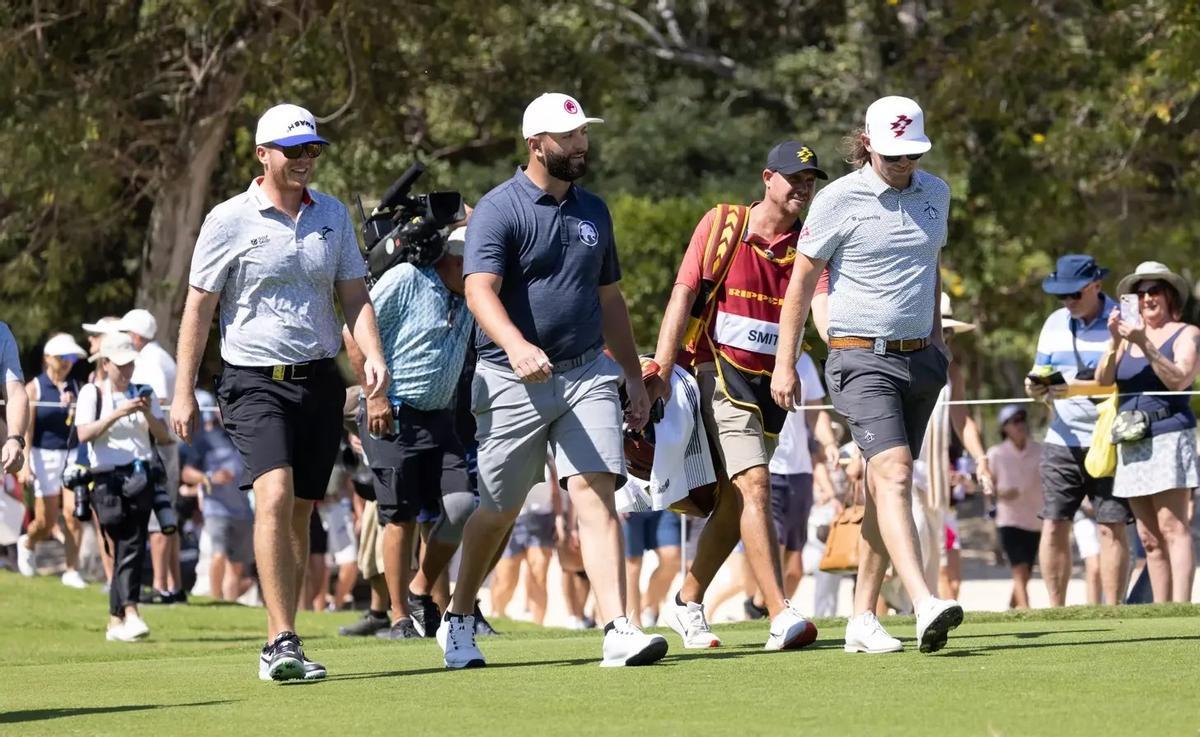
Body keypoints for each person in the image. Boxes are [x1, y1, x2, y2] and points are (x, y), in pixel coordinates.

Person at [439, 92, 665, 669]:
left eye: (584, 134)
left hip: (587, 371)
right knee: (499, 508)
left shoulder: (595, 210)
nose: (581, 144)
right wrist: (516, 346)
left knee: (597, 492)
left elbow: (609, 298)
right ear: (536, 144)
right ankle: (459, 615)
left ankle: (618, 626)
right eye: (568, 137)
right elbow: (478, 289)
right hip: (510, 378)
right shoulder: (498, 208)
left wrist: (632, 373)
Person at [172, 103, 389, 682]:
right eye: (293, 151)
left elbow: (354, 296)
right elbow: (199, 307)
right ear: (263, 154)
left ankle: (287, 632)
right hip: (251, 382)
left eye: (312, 150)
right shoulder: (228, 219)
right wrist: (183, 391)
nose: (304, 161)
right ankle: (279, 641)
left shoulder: (334, 215)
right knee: (273, 497)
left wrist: (372, 358)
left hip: (318, 379)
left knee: (299, 511)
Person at [772, 96, 962, 655]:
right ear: (869, 145)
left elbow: (933, 266)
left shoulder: (937, 193)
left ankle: (861, 618)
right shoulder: (836, 200)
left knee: (886, 490)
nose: (905, 165)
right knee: (896, 473)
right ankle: (925, 600)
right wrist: (787, 364)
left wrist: (939, 343)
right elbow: (801, 286)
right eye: (894, 155)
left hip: (920, 359)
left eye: (913, 154)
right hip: (859, 357)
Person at [650, 140, 826, 652]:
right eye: (795, 178)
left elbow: (816, 304)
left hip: (774, 384)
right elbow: (683, 294)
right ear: (767, 178)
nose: (803, 188)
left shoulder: (810, 242)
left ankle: (687, 601)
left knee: (734, 502)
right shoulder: (723, 224)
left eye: (810, 180)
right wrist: (661, 366)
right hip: (718, 372)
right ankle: (779, 611)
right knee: (755, 485)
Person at [343, 225, 477, 640]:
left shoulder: (471, 296)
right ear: (451, 261)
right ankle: (400, 618)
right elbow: (354, 334)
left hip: (441, 418)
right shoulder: (407, 279)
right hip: (392, 413)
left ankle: (420, 589)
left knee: (462, 507)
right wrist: (375, 396)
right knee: (398, 519)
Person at [1027, 254, 1130, 606]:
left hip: (1109, 438)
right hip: (1061, 439)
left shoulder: (1122, 320)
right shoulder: (1054, 323)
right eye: (1062, 296)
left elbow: (1125, 378)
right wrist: (1036, 386)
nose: (1068, 302)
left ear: (1096, 286)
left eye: (1074, 295)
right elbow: (1041, 369)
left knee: (1110, 525)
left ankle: (1115, 611)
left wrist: (1078, 386)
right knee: (1055, 522)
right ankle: (1056, 610)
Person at [1097, 261, 1198, 602]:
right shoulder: (1126, 338)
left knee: (1173, 527)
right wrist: (1115, 341)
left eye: (1154, 290)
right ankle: (1159, 610)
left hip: (1170, 434)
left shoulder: (1187, 333)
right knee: (1149, 538)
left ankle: (1182, 609)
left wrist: (1147, 343)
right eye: (1139, 293)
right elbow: (1102, 381)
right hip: (1131, 439)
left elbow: (1179, 379)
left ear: (1169, 296)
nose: (1146, 298)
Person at [77, 332, 172, 641]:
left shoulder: (145, 392)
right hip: (105, 480)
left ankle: (128, 612)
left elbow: (164, 436)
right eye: (121, 365)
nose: (127, 370)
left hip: (140, 476)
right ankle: (118, 617)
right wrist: (118, 413)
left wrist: (144, 411)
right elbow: (84, 434)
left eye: (130, 364)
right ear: (105, 363)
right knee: (120, 547)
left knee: (131, 545)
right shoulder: (93, 394)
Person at [116, 308, 184, 604]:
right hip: (163, 443)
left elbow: (159, 399)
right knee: (166, 515)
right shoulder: (159, 356)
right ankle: (173, 586)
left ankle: (160, 586)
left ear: (135, 336)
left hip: (160, 444)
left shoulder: (151, 359)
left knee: (159, 515)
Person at [767, 351, 839, 606]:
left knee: (795, 569)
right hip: (767, 469)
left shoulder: (805, 361)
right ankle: (772, 610)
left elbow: (816, 413)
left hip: (800, 473)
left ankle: (759, 608)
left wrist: (829, 443)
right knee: (774, 548)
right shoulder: (758, 352)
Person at [17, 334, 86, 584]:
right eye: (62, 358)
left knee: (73, 512)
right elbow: (27, 429)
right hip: (41, 455)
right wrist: (24, 464)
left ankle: (71, 569)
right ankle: (27, 542)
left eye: (71, 358)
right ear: (48, 358)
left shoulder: (76, 387)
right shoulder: (34, 387)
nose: (68, 362)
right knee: (45, 522)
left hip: (71, 454)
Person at [180, 389, 254, 603]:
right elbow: (187, 473)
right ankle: (215, 599)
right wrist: (210, 477)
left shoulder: (246, 439)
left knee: (237, 564)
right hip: (216, 509)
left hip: (242, 509)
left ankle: (228, 604)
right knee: (218, 555)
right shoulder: (205, 440)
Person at [986, 405, 1043, 609]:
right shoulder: (995, 454)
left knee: (1025, 570)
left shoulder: (1040, 451)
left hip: (1035, 520)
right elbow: (987, 487)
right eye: (1015, 421)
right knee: (1019, 568)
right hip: (1008, 520)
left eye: (1022, 419)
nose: (1021, 424)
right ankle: (1027, 611)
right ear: (1005, 428)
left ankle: (1011, 609)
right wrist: (1001, 493)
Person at [491, 461, 559, 625]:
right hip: (511, 519)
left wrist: (560, 521)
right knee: (506, 577)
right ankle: (497, 616)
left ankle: (538, 624)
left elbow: (555, 493)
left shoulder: (548, 460)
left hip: (541, 520)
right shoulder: (509, 456)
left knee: (539, 574)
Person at [623, 509, 682, 628]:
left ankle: (649, 606)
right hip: (627, 505)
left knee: (672, 556)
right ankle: (635, 623)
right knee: (632, 565)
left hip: (662, 502)